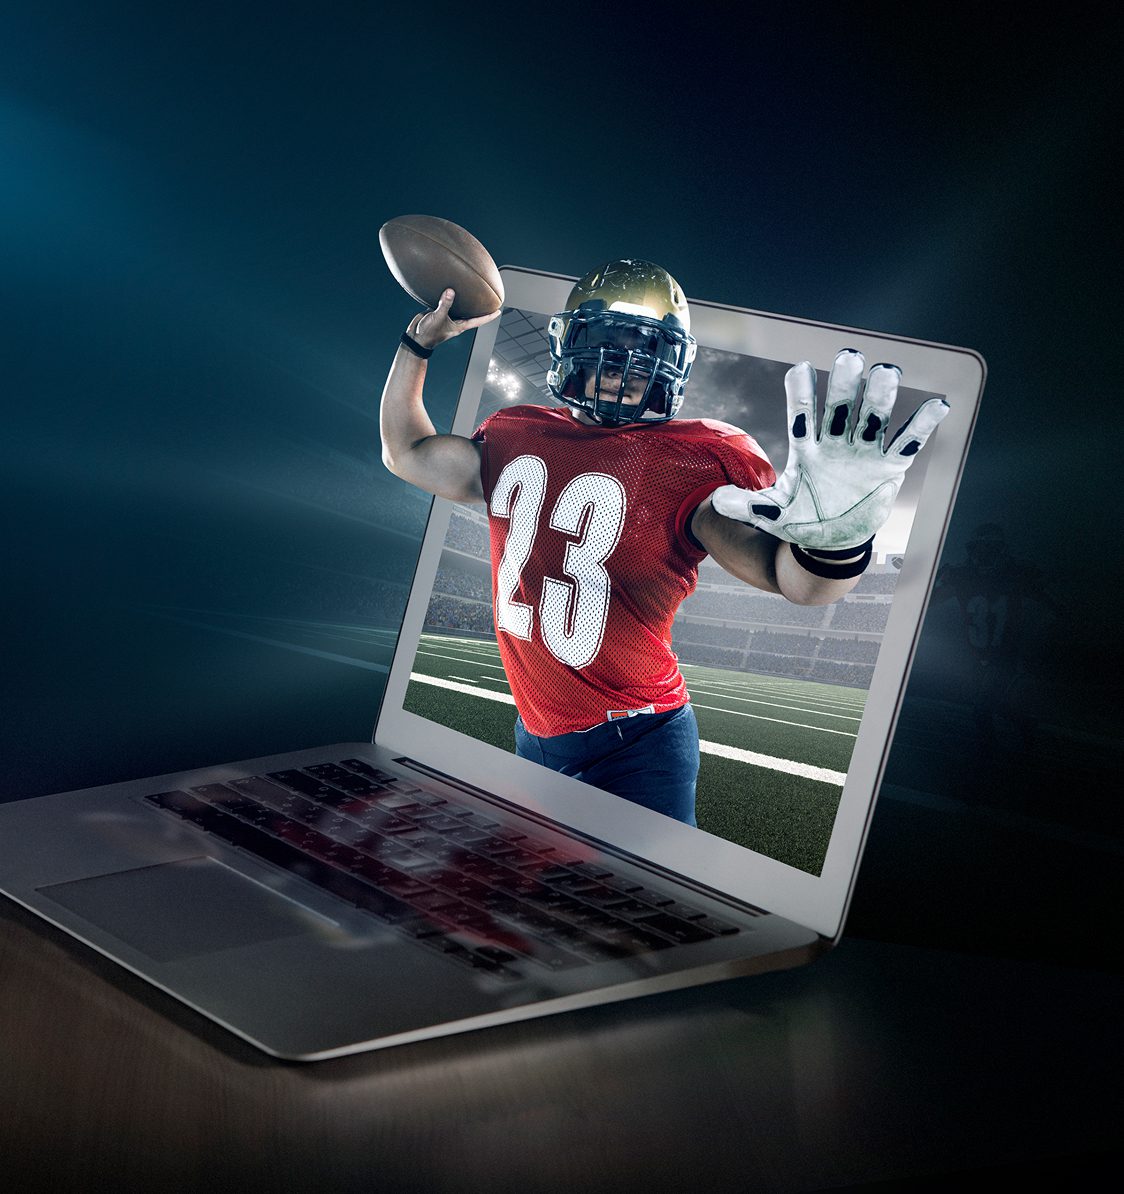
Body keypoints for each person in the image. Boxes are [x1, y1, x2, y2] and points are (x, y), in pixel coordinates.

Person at [380, 259, 947, 826]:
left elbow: (792, 581)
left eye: (642, 350)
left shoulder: (698, 457)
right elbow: (406, 454)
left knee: (647, 904)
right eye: (606, 341)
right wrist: (416, 345)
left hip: (639, 739)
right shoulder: (514, 432)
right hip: (535, 732)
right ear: (570, 342)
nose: (620, 365)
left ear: (672, 364)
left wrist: (835, 545)